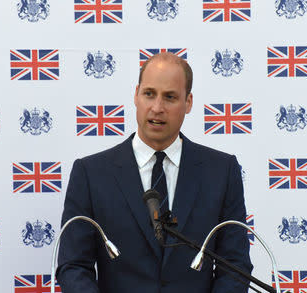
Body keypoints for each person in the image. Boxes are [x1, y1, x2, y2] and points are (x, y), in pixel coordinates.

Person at [56, 53, 253, 293]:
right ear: (136, 95)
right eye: (149, 94)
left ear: (188, 102)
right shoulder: (91, 173)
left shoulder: (221, 171)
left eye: (170, 97)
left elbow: (235, 266)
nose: (157, 108)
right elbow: (73, 266)